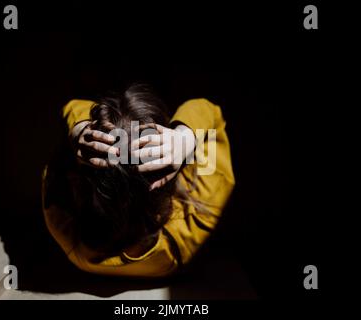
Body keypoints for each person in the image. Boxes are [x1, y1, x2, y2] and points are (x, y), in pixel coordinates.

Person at [42, 84, 235, 277]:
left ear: (78, 183)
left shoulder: (64, 229)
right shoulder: (196, 224)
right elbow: (208, 110)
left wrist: (79, 128)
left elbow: (73, 107)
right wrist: (185, 136)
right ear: (165, 188)